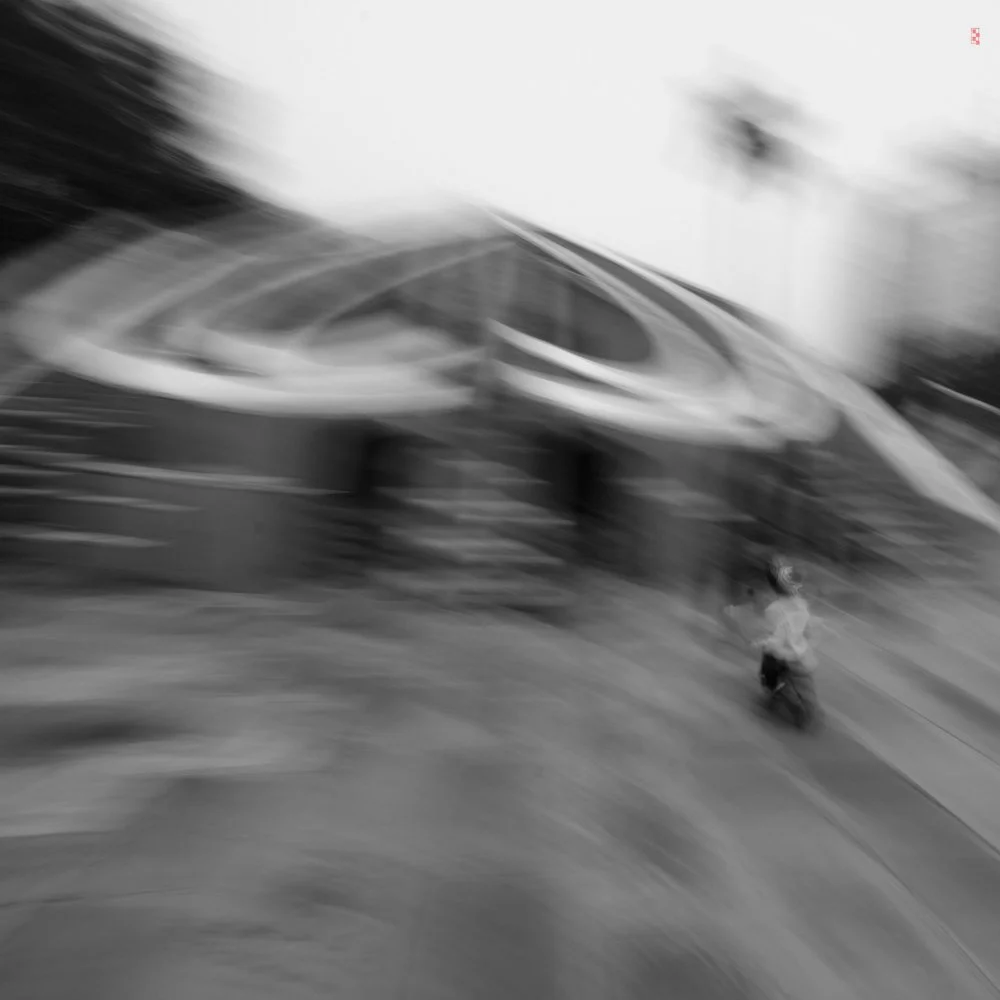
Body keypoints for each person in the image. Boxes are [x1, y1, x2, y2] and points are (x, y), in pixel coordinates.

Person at [754, 556, 816, 692]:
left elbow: (772, 638)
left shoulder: (773, 609)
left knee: (768, 653)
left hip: (784, 658)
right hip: (801, 660)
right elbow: (808, 632)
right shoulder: (802, 604)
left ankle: (772, 687)